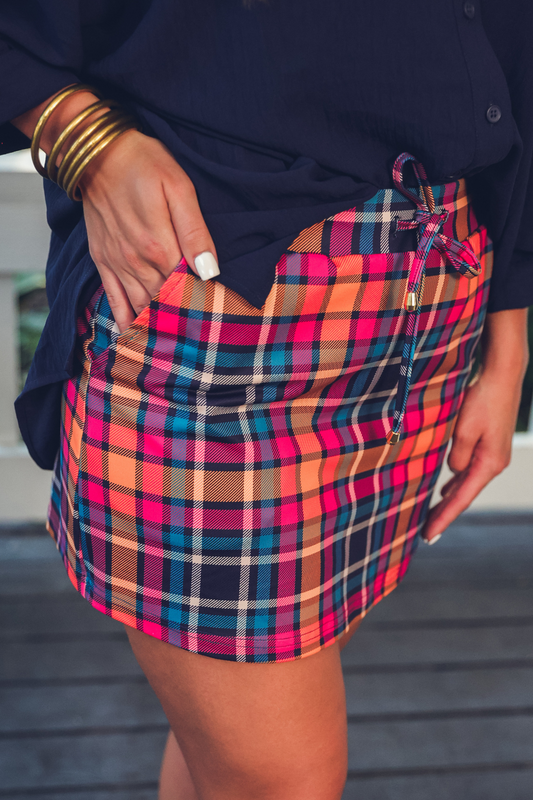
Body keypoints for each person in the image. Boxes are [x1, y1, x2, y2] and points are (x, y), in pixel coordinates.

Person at [1, 2, 531, 798]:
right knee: (281, 777)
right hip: (222, 304)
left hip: (432, 294)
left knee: (230, 751)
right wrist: (86, 142)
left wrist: (508, 338)